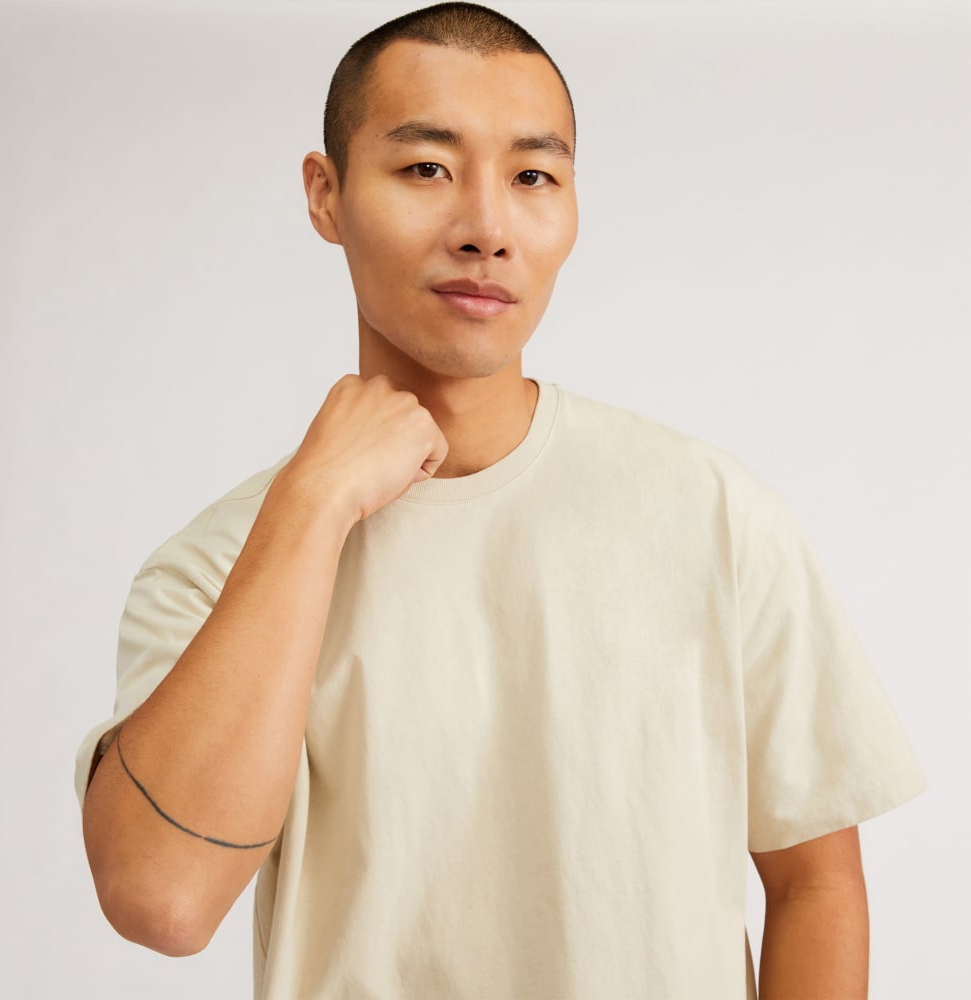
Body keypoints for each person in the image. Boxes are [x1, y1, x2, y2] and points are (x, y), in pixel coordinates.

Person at [76, 4, 926, 998]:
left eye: (532, 177)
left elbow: (815, 883)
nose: (485, 230)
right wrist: (312, 504)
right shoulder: (218, 564)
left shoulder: (712, 513)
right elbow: (163, 898)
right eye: (426, 168)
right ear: (325, 194)